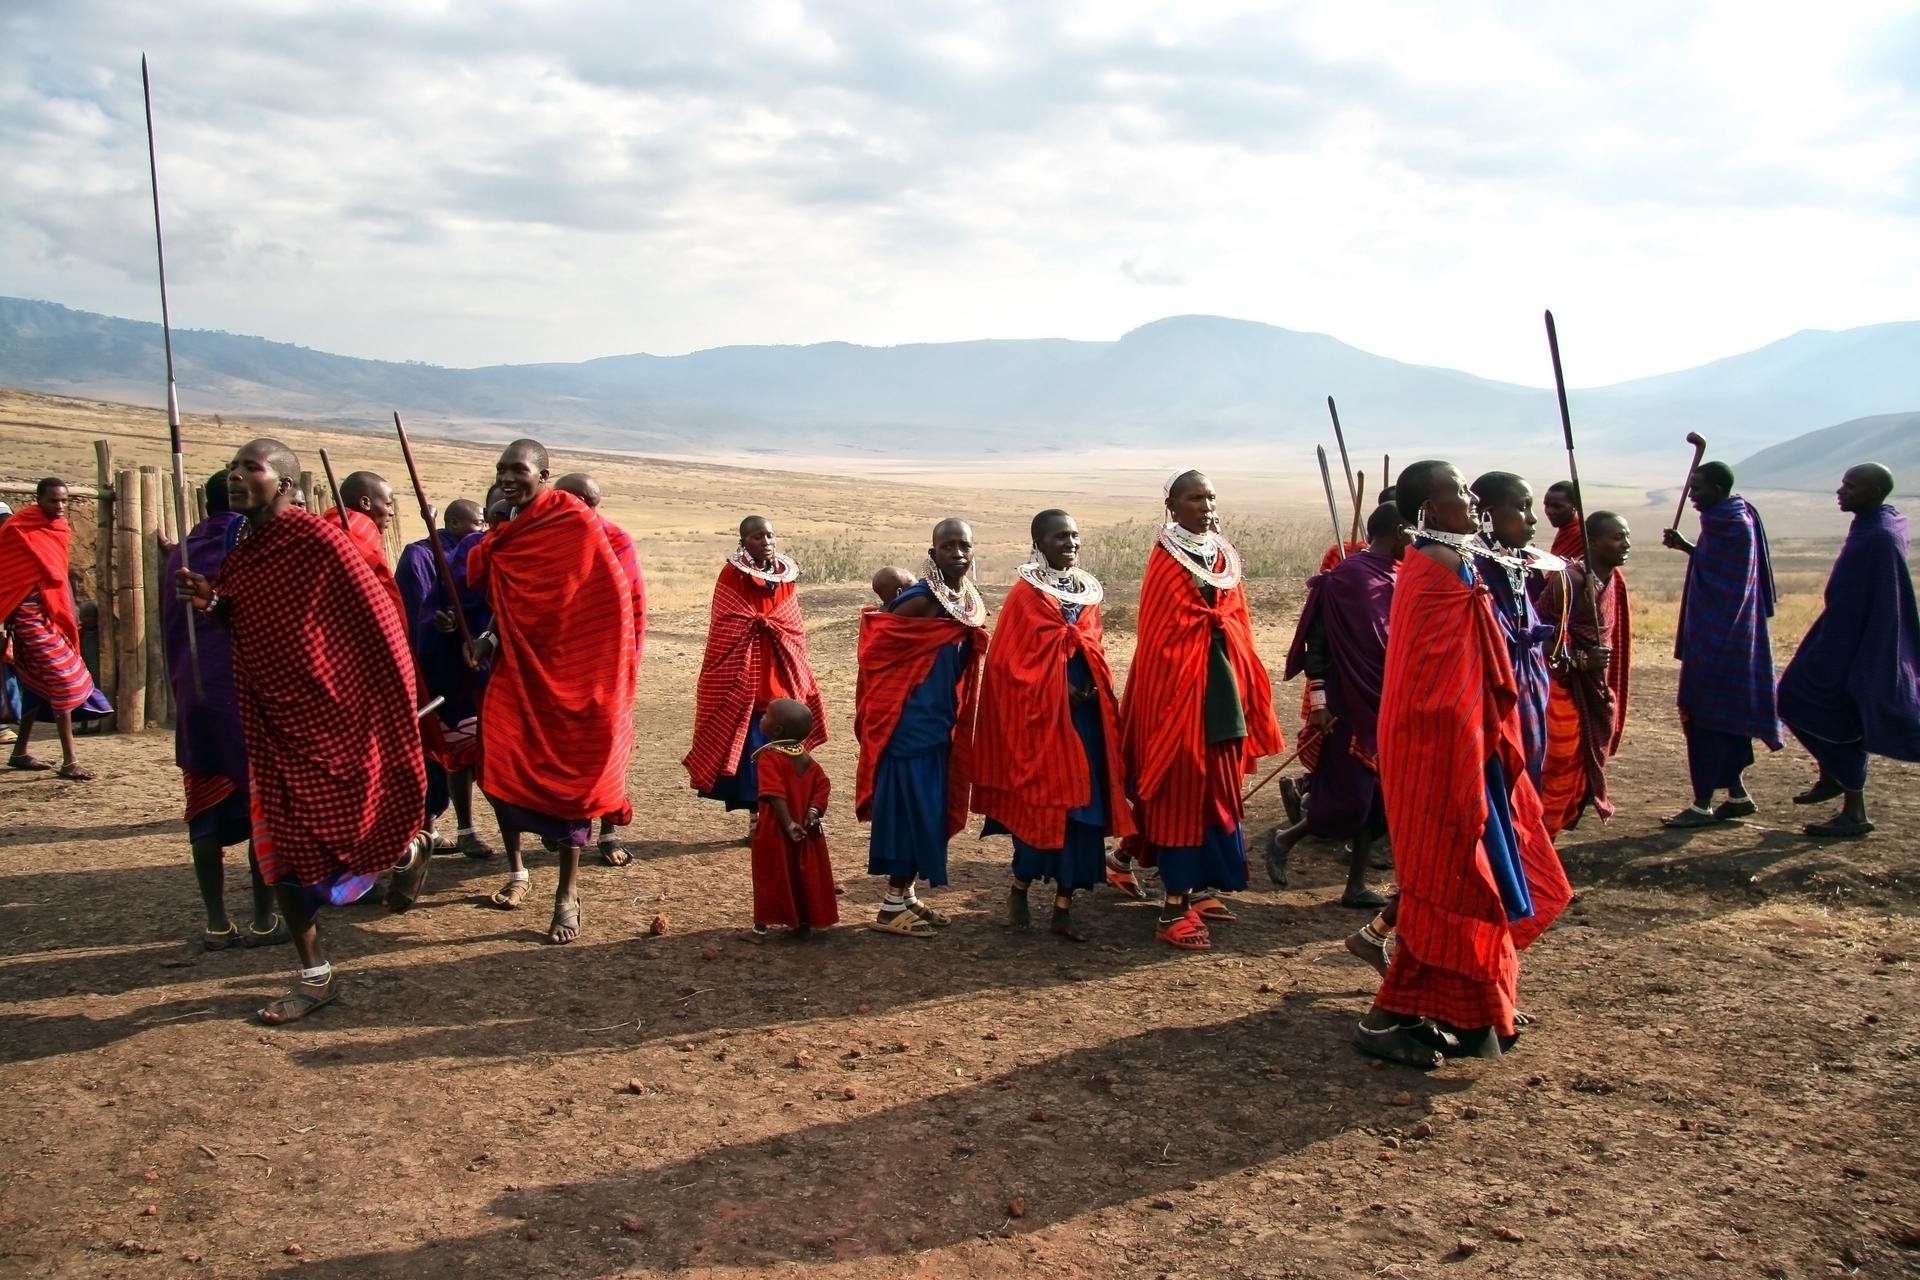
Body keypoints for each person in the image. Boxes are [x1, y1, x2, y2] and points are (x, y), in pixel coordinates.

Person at [174, 439, 428, 1023]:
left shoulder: (319, 541)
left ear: (285, 484)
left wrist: (383, 701)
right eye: (233, 467)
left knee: (352, 825)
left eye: (252, 468)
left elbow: (378, 621)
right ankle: (316, 976)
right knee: (282, 854)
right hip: (271, 721)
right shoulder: (244, 546)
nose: (237, 477)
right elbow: (251, 616)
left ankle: (402, 851)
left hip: (331, 715)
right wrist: (214, 602)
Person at [1354, 461, 1571, 1067]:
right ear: (1426, 511)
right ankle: (1379, 1023)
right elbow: (1436, 682)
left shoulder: (1458, 562)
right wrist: (1470, 745)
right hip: (1441, 748)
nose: (1471, 500)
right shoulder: (1438, 569)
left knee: (1467, 880)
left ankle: (1464, 1010)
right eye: (1457, 493)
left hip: (1470, 747)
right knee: (1448, 882)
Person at [465, 440, 636, 943]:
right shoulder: (508, 527)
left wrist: (599, 671)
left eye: (517, 469)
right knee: (498, 761)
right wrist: (488, 635)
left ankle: (567, 892)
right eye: (501, 470)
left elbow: (609, 602)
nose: (507, 477)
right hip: (517, 670)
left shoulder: (574, 523)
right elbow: (492, 589)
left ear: (544, 473)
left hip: (575, 673)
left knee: (572, 785)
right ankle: (517, 868)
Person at [1119, 470, 1283, 951]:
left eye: (1210, 496)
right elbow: (1163, 633)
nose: (1206, 505)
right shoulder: (1166, 558)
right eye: (1195, 498)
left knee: (1219, 784)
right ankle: (1172, 906)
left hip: (1221, 687)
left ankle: (1200, 884)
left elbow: (1236, 620)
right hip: (1178, 693)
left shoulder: (1222, 553)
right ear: (1171, 506)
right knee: (1181, 786)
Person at [972, 509, 1133, 942]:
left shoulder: (1086, 593)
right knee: (1044, 807)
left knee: (1084, 810)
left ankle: (1064, 908)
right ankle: (1019, 888)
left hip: (1085, 718)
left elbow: (1092, 646)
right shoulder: (1026, 597)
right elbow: (1008, 666)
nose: (1071, 543)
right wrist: (1055, 691)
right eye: (1061, 537)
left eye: (1075, 536)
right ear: (1039, 543)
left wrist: (1095, 687)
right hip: (1040, 722)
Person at [161, 473, 284, 949]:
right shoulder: (246, 549)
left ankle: (216, 922)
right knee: (262, 809)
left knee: (205, 812)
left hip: (195, 695)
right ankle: (263, 920)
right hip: (243, 698)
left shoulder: (183, 554)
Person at [1269, 502, 1406, 907]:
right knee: (1351, 799)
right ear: (1398, 531)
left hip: (1388, 704)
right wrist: (1320, 701)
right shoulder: (1344, 580)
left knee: (1380, 801)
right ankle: (1284, 838)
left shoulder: (1402, 576)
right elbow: (1318, 649)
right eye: (1412, 533)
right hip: (1348, 706)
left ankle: (1355, 886)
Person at [856, 518, 988, 937]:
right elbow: (877, 646)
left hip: (938, 723)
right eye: (947, 546)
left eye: (964, 545)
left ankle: (907, 898)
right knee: (911, 813)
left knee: (928, 810)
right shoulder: (920, 600)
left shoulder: (963, 597)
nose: (957, 553)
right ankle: (892, 906)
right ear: (932, 554)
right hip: (908, 725)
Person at [1776, 464, 1920, 837]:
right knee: (1810, 702)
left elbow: (1884, 600)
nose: (1840, 491)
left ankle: (1854, 810)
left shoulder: (1879, 538)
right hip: (1838, 633)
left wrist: (1863, 653)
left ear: (1873, 492)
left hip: (1853, 642)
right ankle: (1833, 777)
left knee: (1817, 706)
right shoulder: (1882, 522)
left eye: (1850, 486)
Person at [684, 515, 827, 839]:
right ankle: (757, 820)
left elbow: (791, 622)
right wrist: (757, 622)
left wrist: (774, 626)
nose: (766, 542)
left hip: (780, 670)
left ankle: (773, 818)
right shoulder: (731, 575)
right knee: (753, 755)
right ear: (743, 541)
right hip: (744, 675)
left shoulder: (785, 577)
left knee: (783, 745)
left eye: (770, 536)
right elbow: (727, 619)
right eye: (757, 537)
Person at [1661, 462, 1781, 827]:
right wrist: (1688, 548)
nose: (1691, 495)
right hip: (1730, 638)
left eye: (1697, 489)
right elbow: (1718, 565)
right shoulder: (1734, 514)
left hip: (1720, 639)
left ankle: (1702, 804)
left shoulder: (1728, 523)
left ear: (1716, 487)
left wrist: (1691, 548)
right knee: (1726, 718)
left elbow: (1729, 582)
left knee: (1703, 716)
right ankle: (1738, 795)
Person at [553, 472, 648, 865]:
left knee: (609, 745)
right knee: (561, 752)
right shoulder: (544, 539)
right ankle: (562, 827)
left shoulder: (615, 539)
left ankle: (608, 831)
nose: (584, 512)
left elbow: (632, 605)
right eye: (576, 503)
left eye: (590, 505)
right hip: (555, 664)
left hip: (606, 664)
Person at [395, 498, 490, 857]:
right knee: (446, 753)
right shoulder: (419, 556)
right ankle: (435, 831)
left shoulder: (479, 552)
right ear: (451, 522)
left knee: (476, 752)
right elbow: (420, 609)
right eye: (477, 522)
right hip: (438, 669)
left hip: (477, 665)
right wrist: (443, 625)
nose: (481, 529)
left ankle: (464, 831)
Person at [0, 477, 111, 779]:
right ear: (39, 499)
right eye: (54, 501)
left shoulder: (58, 529)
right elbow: (7, 576)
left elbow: (57, 577)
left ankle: (20, 751)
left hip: (49, 616)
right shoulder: (18, 530)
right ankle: (70, 761)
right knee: (62, 679)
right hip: (25, 619)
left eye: (64, 501)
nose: (60, 506)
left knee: (38, 684)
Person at [1536, 511, 1633, 836]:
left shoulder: (1610, 580)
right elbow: (1541, 635)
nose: (1626, 544)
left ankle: (1549, 836)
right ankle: (1537, 841)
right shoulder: (1570, 580)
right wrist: (1579, 660)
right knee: (1558, 761)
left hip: (1593, 689)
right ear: (1592, 542)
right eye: (1617, 537)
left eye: (1627, 536)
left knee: (1577, 767)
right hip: (1562, 687)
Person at [1470, 472, 1557, 789]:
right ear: (1488, 516)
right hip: (1488, 702)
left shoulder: (1519, 562)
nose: (1534, 519)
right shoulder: (1469, 570)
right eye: (1523, 507)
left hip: (1527, 691)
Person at [748, 698, 838, 939]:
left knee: (769, 875)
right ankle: (803, 922)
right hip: (806, 831)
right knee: (802, 874)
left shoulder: (770, 758)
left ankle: (760, 928)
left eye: (766, 715)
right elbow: (823, 785)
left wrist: (787, 823)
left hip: (775, 830)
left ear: (777, 730)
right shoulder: (805, 758)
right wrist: (812, 812)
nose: (762, 718)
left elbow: (773, 793)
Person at [1541, 481, 1584, 562]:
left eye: (1557, 506)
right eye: (1546, 505)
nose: (1549, 511)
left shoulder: (1582, 535)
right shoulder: (1565, 528)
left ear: (1575, 506)